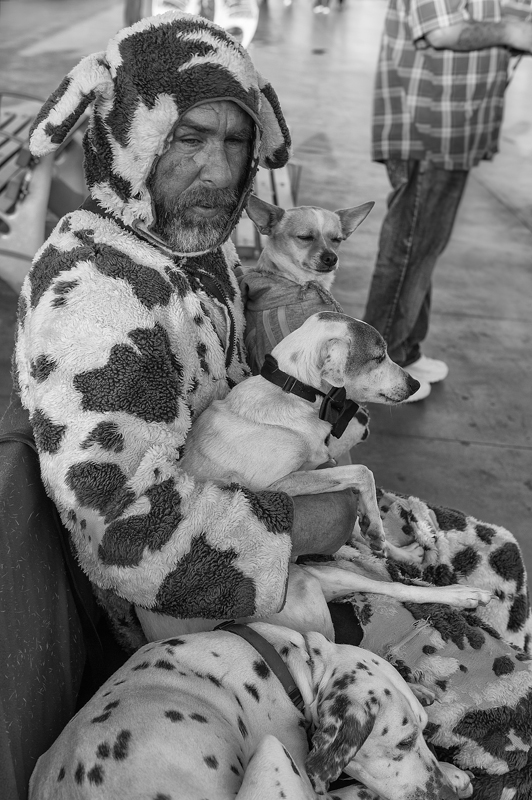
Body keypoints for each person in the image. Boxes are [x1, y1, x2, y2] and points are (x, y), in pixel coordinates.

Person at [11, 10, 532, 798]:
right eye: (187, 138)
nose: (219, 172)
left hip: (273, 522)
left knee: (498, 560)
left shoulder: (191, 244)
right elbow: (127, 535)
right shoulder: (95, 300)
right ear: (127, 137)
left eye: (234, 141)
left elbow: (233, 399)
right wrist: (311, 523)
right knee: (492, 685)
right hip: (212, 610)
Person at [364, 0, 532, 402]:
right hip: (432, 127)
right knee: (407, 250)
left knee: (423, 247)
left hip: (457, 126)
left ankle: (403, 350)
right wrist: (513, 33)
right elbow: (440, 29)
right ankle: (374, 368)